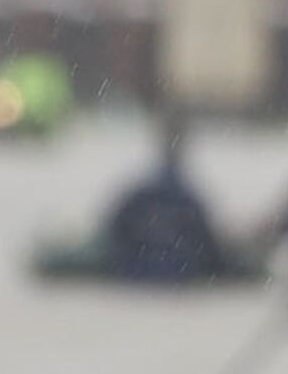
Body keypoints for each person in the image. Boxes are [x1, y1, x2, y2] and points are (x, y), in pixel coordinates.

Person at [93, 118, 238, 284]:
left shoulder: (139, 196)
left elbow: (111, 233)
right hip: (178, 277)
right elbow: (211, 250)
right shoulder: (189, 200)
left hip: (134, 274)